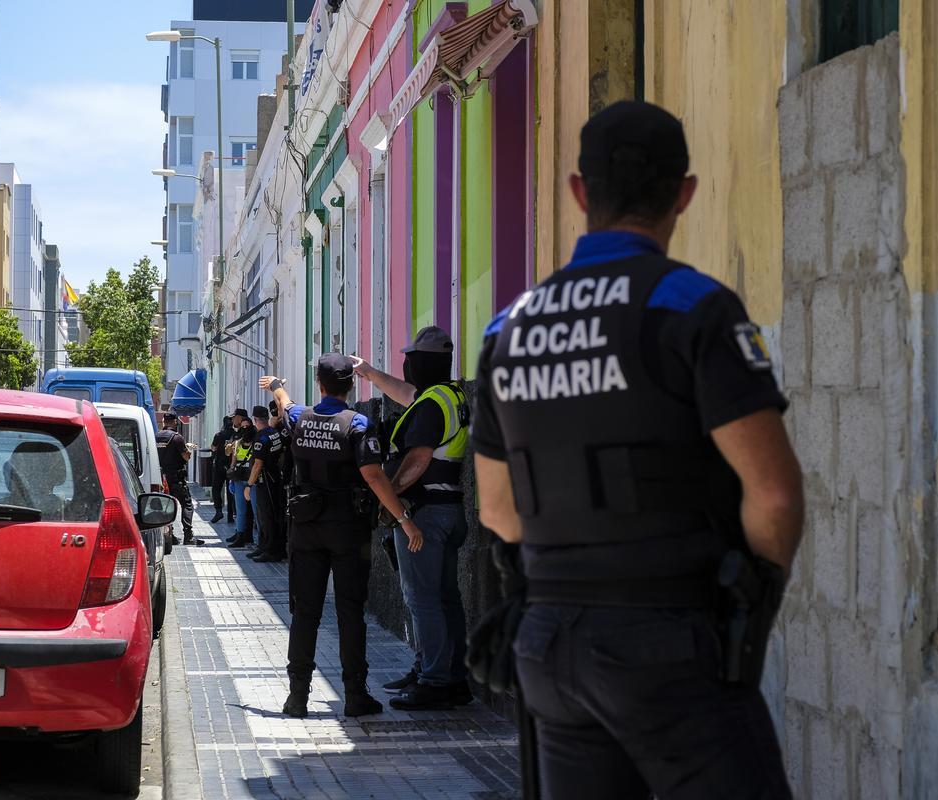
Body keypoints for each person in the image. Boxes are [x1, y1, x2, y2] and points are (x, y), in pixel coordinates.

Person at [471, 100, 804, 799]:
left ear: (579, 192)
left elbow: (499, 513)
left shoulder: (508, 329)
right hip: (668, 641)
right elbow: (773, 496)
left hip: (549, 647)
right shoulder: (693, 306)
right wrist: (746, 612)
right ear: (684, 193)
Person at [259, 354, 425, 719]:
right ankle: (354, 695)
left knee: (305, 613)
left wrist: (275, 386)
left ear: (319, 385)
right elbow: (374, 477)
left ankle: (297, 697)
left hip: (305, 528)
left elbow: (284, 404)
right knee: (350, 612)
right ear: (351, 386)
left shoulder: (300, 418)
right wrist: (404, 519)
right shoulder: (358, 424)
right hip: (348, 529)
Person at [351, 327, 472, 710]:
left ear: (420, 362)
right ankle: (448, 674)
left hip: (424, 516)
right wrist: (370, 373)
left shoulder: (433, 405)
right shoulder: (447, 395)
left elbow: (418, 460)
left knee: (423, 600)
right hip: (448, 510)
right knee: (445, 599)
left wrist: (393, 499)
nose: (406, 365)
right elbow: (406, 394)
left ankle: (434, 681)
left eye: (410, 359)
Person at [244, 404, 287, 563]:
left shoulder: (261, 438)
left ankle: (271, 550)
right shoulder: (274, 433)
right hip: (275, 478)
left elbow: (257, 464)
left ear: (256, 420)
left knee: (267, 516)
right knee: (269, 515)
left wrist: (249, 485)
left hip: (266, 481)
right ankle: (264, 546)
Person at [157, 412, 197, 545]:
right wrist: (188, 451)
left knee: (166, 506)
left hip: (161, 478)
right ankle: (188, 535)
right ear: (174, 422)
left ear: (164, 421)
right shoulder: (177, 437)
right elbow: (186, 456)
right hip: (176, 478)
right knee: (187, 504)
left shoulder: (156, 436)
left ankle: (169, 535)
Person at [227, 418, 255, 550]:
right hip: (239, 480)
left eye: (247, 426)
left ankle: (258, 539)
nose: (244, 429)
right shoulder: (238, 443)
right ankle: (240, 535)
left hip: (252, 480)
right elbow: (233, 460)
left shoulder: (256, 443)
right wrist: (231, 476)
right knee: (240, 510)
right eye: (242, 427)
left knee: (256, 511)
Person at [209, 416, 235, 523]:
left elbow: (213, 447)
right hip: (231, 466)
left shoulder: (219, 435)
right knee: (230, 491)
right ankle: (230, 515)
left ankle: (219, 511)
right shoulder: (235, 435)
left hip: (219, 465)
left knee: (216, 489)